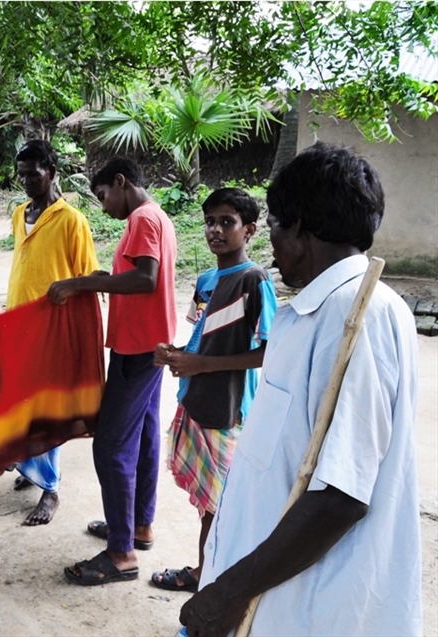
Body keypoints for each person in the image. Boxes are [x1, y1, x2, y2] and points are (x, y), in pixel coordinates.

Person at [179, 142, 421, 636]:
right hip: (280, 598)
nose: (270, 244)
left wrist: (230, 591)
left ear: (301, 229)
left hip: (312, 609)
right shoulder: (318, 311)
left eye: (272, 227)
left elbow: (341, 495)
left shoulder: (357, 315)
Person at [47, 156, 177, 585]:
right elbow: (137, 276)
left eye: (102, 195)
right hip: (150, 342)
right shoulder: (155, 215)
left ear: (121, 182)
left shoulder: (142, 218)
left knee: (110, 445)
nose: (101, 206)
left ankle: (121, 554)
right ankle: (137, 526)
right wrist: (103, 275)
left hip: (137, 347)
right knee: (141, 436)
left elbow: (145, 280)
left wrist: (81, 283)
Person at [150, 188, 277, 593]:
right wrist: (175, 356)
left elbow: (268, 352)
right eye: (210, 222)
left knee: (220, 512)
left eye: (227, 222)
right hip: (197, 403)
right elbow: (200, 337)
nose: (216, 230)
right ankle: (206, 577)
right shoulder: (206, 281)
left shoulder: (254, 281)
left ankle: (210, 584)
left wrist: (201, 364)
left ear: (250, 229)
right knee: (210, 509)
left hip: (229, 411)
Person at [6, 139, 99, 526]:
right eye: (22, 174)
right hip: (17, 322)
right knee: (21, 401)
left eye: (35, 173)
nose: (27, 180)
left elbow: (89, 276)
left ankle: (51, 490)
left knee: (47, 405)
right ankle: (31, 468)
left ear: (52, 172)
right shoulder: (18, 214)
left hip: (52, 328)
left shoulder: (71, 220)